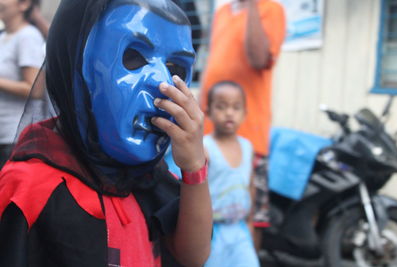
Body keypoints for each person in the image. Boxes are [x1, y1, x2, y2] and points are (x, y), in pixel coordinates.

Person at [0, 0, 212, 266]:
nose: (162, 83)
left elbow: (193, 256)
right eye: (134, 56)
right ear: (75, 64)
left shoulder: (149, 179)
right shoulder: (29, 189)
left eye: (176, 69)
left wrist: (194, 168)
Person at [200, 0, 286, 251]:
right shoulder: (223, 12)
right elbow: (211, 62)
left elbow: (258, 57)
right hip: (210, 137)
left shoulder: (271, 9)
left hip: (248, 136)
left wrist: (251, 7)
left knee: (251, 215)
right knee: (203, 210)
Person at [204, 81, 259, 267]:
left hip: (239, 228)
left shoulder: (247, 146)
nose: (229, 113)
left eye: (236, 107)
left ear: (244, 113)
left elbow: (250, 185)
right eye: (221, 107)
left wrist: (250, 221)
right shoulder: (205, 148)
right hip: (210, 231)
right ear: (208, 112)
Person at [0, 0, 45, 169]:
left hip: (14, 138)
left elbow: (34, 89)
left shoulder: (28, 36)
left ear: (24, 4)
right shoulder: (4, 36)